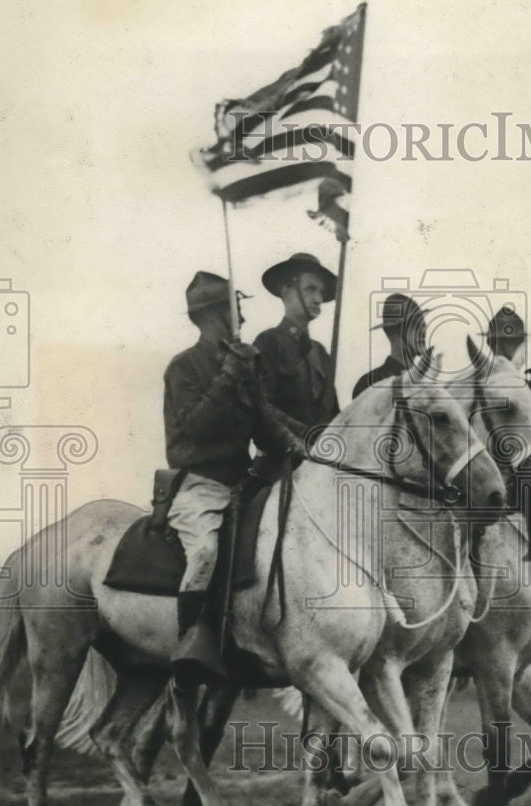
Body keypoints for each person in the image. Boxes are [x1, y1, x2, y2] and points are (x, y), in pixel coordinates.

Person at [163, 271, 303, 689]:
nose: (241, 315)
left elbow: (264, 424)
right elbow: (196, 426)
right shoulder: (184, 367)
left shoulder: (243, 364)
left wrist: (301, 444)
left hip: (242, 485)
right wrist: (229, 373)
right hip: (198, 483)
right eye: (234, 307)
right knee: (205, 551)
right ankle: (192, 646)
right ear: (213, 315)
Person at [253, 253, 340, 445]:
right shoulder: (268, 343)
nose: (318, 299)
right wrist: (304, 434)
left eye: (321, 292)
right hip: (280, 461)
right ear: (286, 290)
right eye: (310, 289)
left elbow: (334, 415)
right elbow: (260, 407)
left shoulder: (320, 353)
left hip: (321, 460)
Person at [352, 292, 427, 399]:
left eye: (423, 325)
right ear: (393, 331)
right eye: (415, 325)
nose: (423, 331)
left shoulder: (425, 384)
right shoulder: (372, 383)